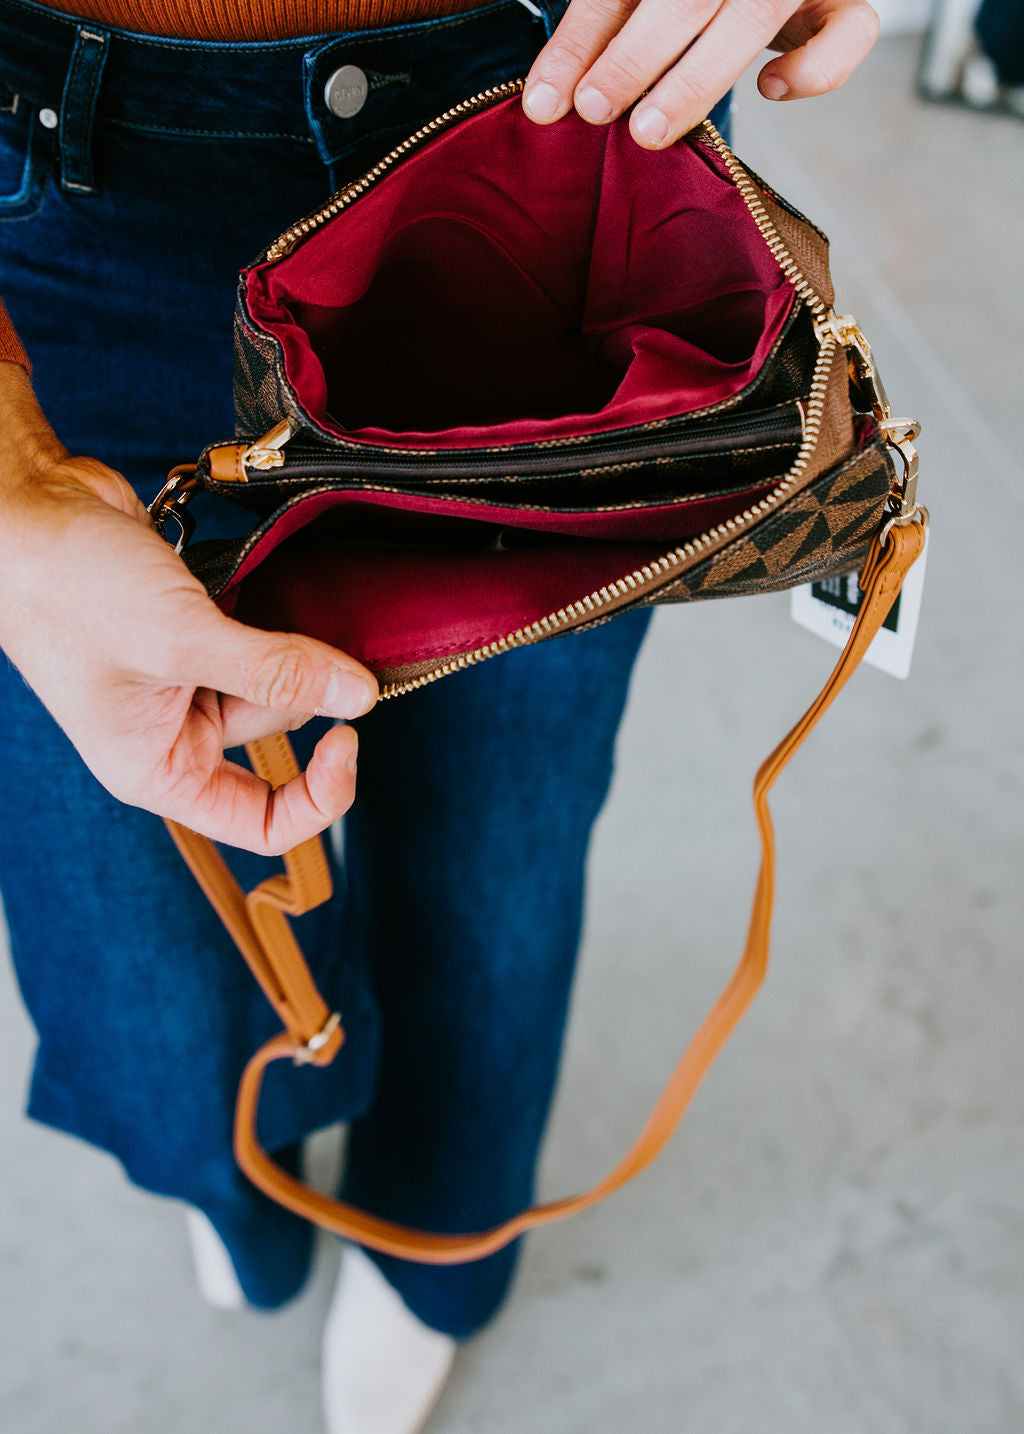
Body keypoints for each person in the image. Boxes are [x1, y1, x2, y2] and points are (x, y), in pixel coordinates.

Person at [0, 0, 880, 1429]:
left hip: (555, 112)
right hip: (58, 209)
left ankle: (442, 1240)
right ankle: (229, 1164)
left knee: (499, 859)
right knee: (131, 925)